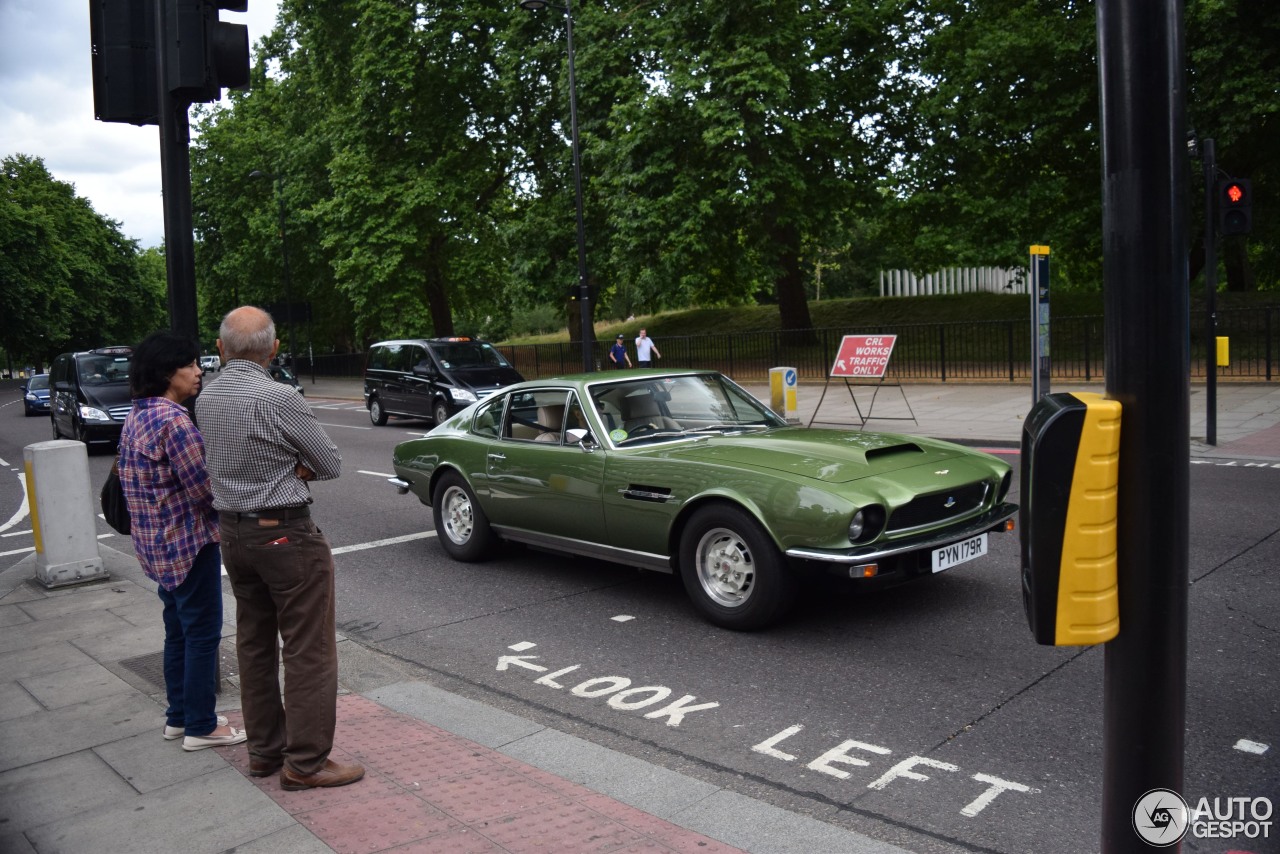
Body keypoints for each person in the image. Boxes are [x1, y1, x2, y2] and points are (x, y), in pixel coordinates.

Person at [195, 306, 364, 791]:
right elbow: (328, 462)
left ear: (222, 349)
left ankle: (264, 753)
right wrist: (298, 469)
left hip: (233, 534)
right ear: (273, 349)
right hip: (285, 533)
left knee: (253, 644)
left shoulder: (206, 398)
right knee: (309, 649)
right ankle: (306, 762)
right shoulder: (277, 397)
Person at [118, 331, 245, 752]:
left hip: (155, 548)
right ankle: (202, 726)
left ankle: (179, 717)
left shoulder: (138, 414)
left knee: (177, 632)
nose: (198, 371)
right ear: (166, 372)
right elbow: (204, 490)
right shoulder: (175, 421)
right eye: (189, 365)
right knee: (203, 634)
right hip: (188, 545)